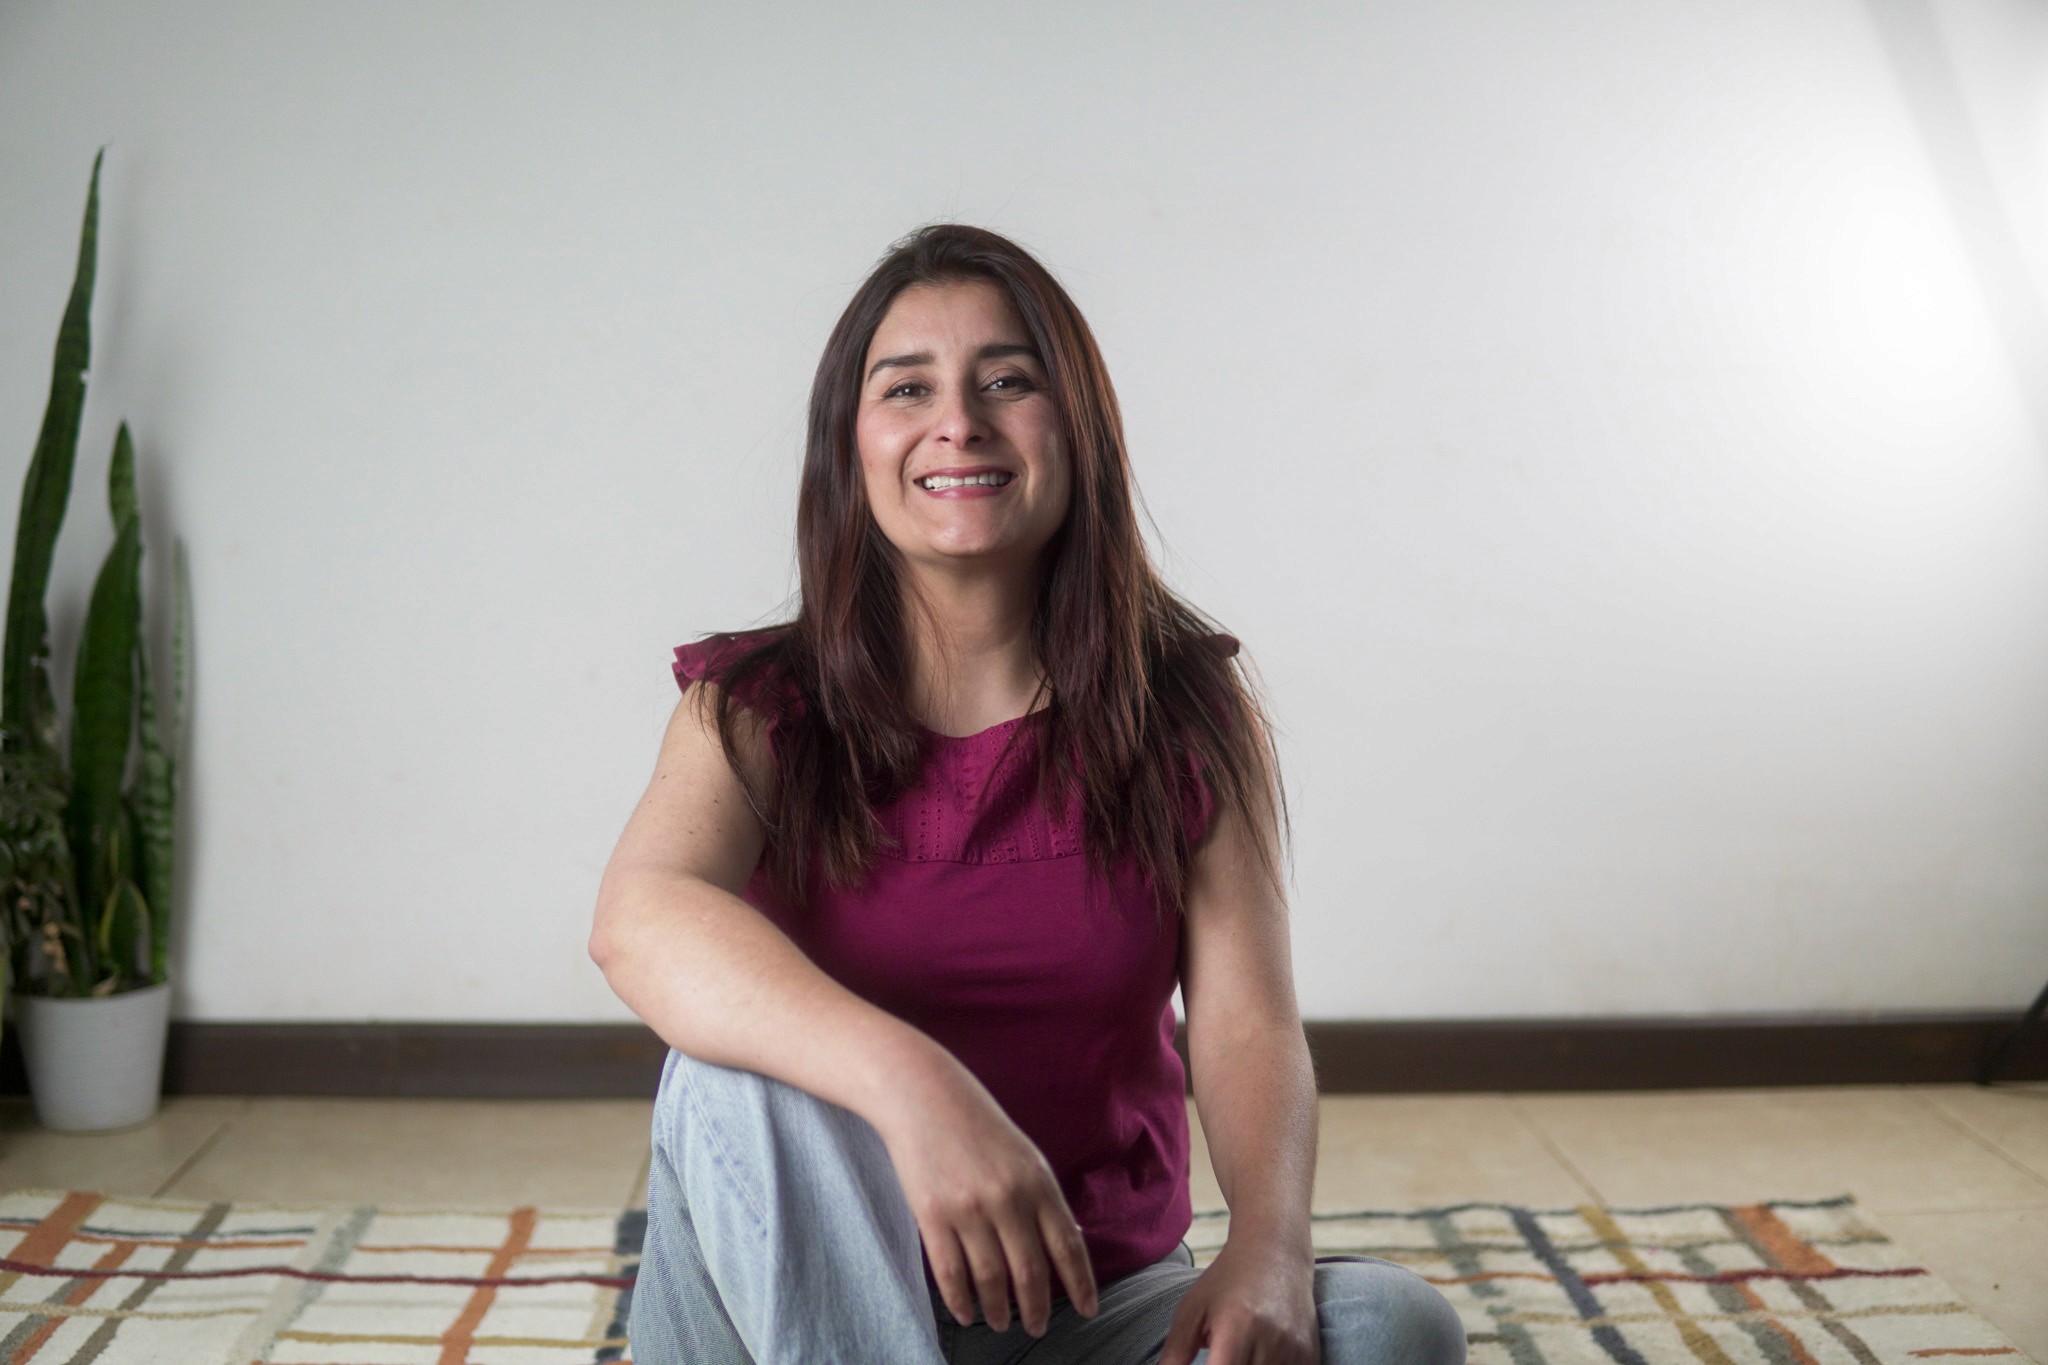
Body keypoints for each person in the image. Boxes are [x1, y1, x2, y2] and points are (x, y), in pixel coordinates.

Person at [590, 224, 1467, 1365]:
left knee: (1391, 1328)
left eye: (1007, 380)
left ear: (1076, 432)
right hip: (780, 1319)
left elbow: (1248, 1021)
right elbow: (641, 920)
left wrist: (1267, 1244)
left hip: (1095, 1315)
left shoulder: (1185, 707)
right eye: (907, 388)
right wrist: (920, 1091)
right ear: (848, 447)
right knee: (728, 1080)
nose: (958, 420)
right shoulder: (753, 707)